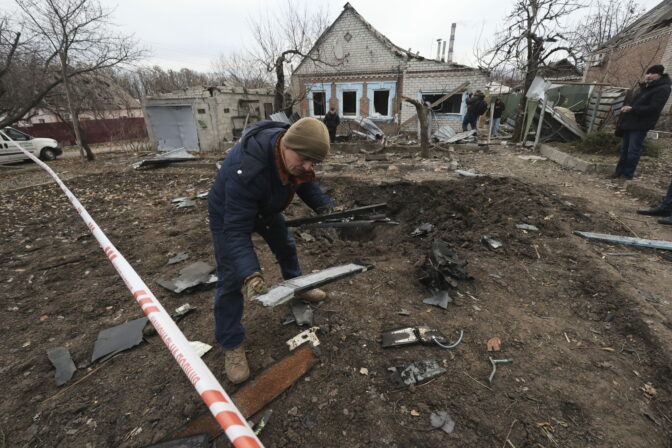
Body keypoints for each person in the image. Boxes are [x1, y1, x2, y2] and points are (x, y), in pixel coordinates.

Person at [208, 117, 334, 384]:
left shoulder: (293, 151)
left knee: (285, 245)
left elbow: (303, 179)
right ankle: (231, 344)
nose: (309, 167)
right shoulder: (247, 169)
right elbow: (236, 230)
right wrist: (251, 273)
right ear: (285, 146)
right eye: (305, 159)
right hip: (229, 213)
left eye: (314, 162)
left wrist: (322, 204)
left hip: (266, 205)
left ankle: (297, 287)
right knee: (231, 277)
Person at [613, 64, 671, 179]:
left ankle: (627, 175)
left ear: (659, 75)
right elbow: (633, 102)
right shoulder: (644, 87)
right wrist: (627, 106)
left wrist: (632, 109)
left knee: (633, 151)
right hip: (629, 122)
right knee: (624, 150)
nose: (648, 75)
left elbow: (654, 108)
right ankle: (618, 173)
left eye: (652, 73)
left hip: (641, 124)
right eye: (647, 73)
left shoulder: (663, 88)